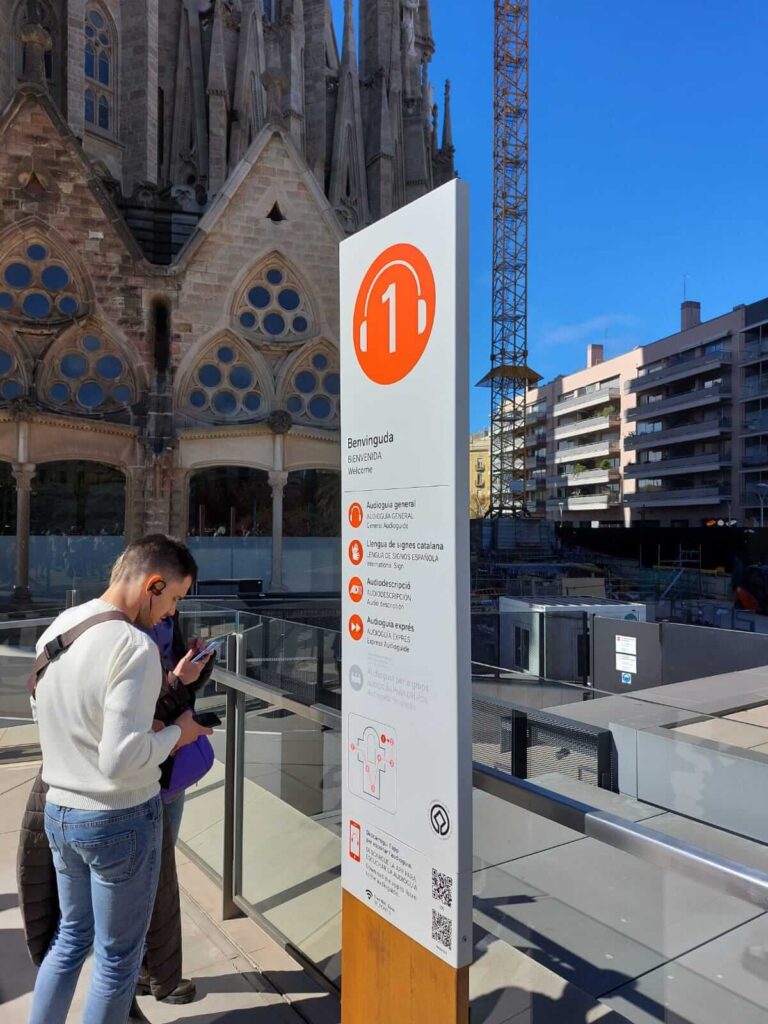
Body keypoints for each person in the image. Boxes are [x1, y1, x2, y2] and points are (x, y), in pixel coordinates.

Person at [27, 534, 213, 1024]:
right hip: (118, 818)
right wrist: (179, 732)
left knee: (70, 939)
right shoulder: (134, 646)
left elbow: (41, 708)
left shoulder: (64, 626)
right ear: (153, 584)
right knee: (115, 961)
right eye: (173, 598)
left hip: (60, 810)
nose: (171, 613)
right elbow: (121, 759)